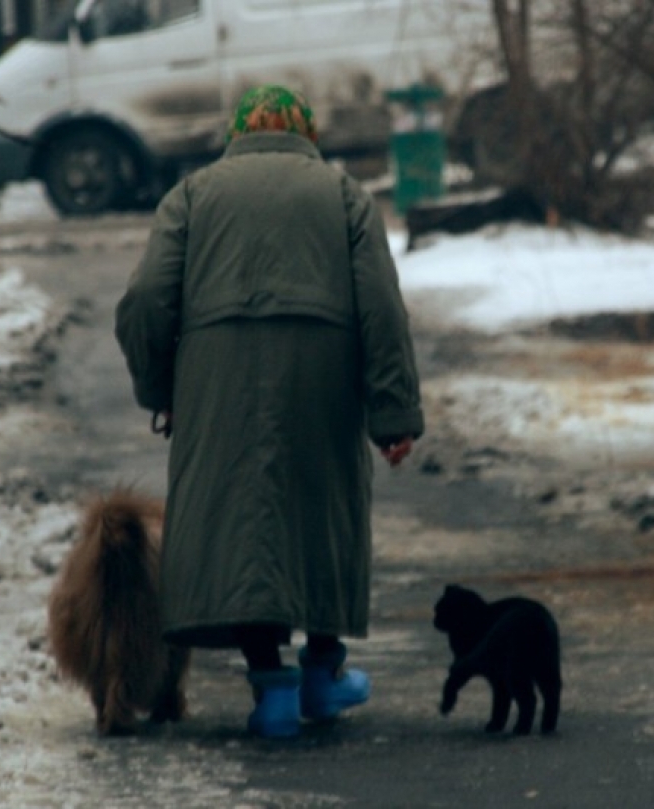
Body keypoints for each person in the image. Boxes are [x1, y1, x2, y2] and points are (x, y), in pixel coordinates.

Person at [115, 84, 424, 738]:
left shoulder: (192, 195)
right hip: (323, 373)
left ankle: (272, 687)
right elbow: (381, 309)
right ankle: (322, 670)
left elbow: (145, 301)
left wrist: (161, 389)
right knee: (320, 511)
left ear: (235, 133)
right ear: (304, 133)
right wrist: (392, 414)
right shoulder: (342, 195)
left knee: (242, 519)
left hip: (214, 377)